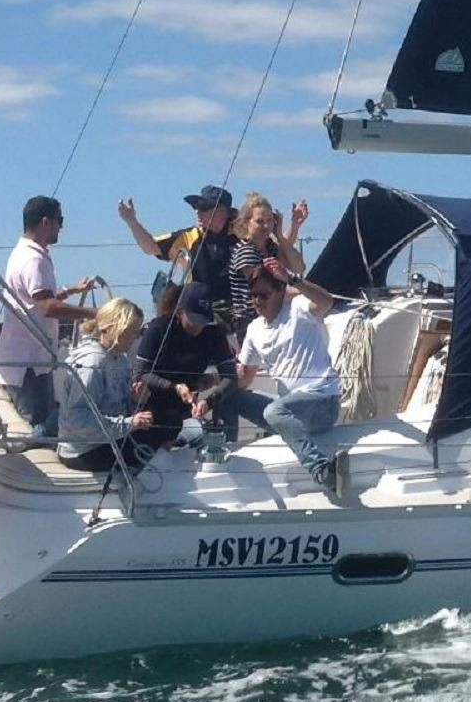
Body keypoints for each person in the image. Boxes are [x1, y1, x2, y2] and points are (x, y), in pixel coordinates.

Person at [0, 195, 98, 437]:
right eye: (59, 221)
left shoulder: (26, 253)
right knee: (36, 432)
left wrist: (71, 290)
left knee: (41, 424)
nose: (61, 228)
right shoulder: (33, 259)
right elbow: (47, 307)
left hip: (30, 359)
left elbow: (35, 299)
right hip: (28, 364)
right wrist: (93, 313)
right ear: (45, 222)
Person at [246, 257, 344, 488]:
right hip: (288, 407)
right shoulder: (253, 329)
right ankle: (220, 454)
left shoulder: (299, 308)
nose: (257, 301)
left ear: (281, 292)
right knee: (233, 399)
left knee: (274, 411)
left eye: (264, 295)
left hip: (322, 402)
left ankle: (322, 470)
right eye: (253, 296)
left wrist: (292, 279)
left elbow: (327, 301)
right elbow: (245, 377)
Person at [133, 281, 269, 444]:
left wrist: (208, 401)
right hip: (153, 408)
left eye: (203, 321)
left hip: (187, 410)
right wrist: (174, 387)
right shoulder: (159, 328)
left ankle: (225, 451)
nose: (198, 326)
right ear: (180, 311)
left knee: (217, 416)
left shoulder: (213, 333)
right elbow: (141, 373)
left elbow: (230, 377)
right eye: (193, 320)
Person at [57, 298, 176, 473]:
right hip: (85, 450)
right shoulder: (93, 363)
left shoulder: (121, 358)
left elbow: (120, 408)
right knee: (157, 436)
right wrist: (129, 424)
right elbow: (78, 420)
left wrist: (135, 401)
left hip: (111, 438)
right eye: (132, 332)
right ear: (116, 328)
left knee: (170, 419)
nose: (136, 338)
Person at [118, 186, 239, 327]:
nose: (197, 212)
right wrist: (132, 221)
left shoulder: (244, 234)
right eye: (196, 207)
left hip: (237, 313)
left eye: (204, 207)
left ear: (223, 211)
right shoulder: (189, 237)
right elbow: (151, 248)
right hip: (198, 315)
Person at [227, 191, 307, 340]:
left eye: (270, 220)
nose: (266, 225)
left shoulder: (269, 246)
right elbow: (265, 289)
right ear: (246, 223)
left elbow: (298, 267)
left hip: (271, 318)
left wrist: (283, 233)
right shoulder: (246, 251)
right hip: (251, 323)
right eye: (259, 221)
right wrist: (306, 291)